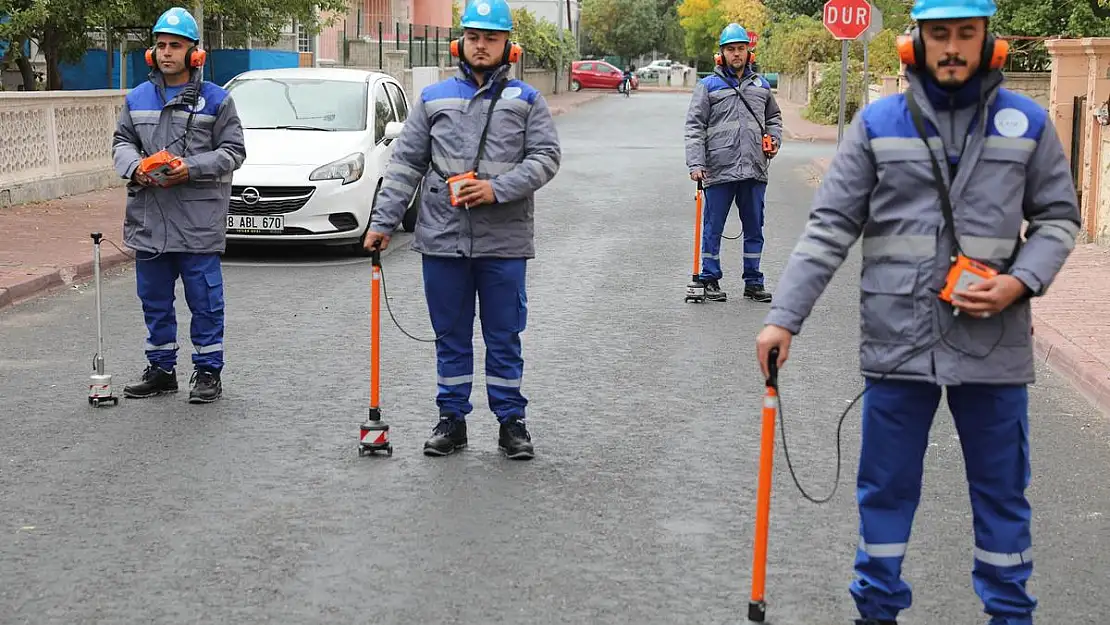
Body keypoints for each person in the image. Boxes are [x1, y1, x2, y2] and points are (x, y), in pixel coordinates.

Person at [755, 0, 1080, 622]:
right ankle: (875, 612)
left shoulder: (1029, 123)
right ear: (915, 44)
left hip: (994, 343)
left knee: (1002, 497)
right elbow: (827, 231)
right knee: (885, 493)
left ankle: (1010, 617)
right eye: (940, 34)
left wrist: (1019, 284)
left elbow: (1059, 220)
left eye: (966, 33)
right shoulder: (877, 125)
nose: (953, 46)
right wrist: (783, 318)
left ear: (990, 42)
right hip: (897, 344)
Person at [363, 0, 561, 460]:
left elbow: (546, 159)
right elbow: (406, 165)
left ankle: (511, 422)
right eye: (474, 37)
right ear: (461, 42)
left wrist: (496, 189)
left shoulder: (527, 100)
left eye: (491, 38)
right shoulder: (433, 99)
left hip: (505, 242)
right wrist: (382, 223)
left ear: (508, 46)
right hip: (442, 240)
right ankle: (452, 419)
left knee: (503, 334)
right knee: (449, 334)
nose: (481, 46)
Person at [111, 7, 246, 404]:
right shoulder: (136, 98)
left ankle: (207, 373)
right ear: (152, 53)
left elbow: (234, 151)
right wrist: (135, 168)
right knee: (153, 300)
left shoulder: (217, 101)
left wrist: (190, 168)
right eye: (161, 45)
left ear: (195, 54)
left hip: (198, 221)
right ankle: (161, 370)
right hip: (149, 219)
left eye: (176, 45)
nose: (167, 52)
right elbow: (122, 142)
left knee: (205, 302)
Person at [684, 23, 782, 303]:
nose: (736, 54)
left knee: (754, 229)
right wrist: (696, 164)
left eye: (741, 49)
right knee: (712, 228)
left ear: (748, 52)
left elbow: (774, 119)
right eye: (731, 49)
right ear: (722, 54)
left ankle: (753, 281)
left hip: (754, 169)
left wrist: (773, 140)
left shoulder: (761, 86)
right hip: (718, 169)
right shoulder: (708, 87)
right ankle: (710, 278)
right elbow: (694, 127)